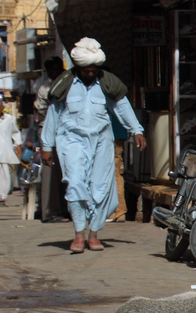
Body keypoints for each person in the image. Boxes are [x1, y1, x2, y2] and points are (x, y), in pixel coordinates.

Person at [40, 38, 145, 253]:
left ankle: (94, 234)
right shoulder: (65, 84)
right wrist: (47, 146)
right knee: (75, 184)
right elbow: (53, 115)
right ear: (78, 68)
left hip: (101, 141)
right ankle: (79, 234)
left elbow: (122, 106)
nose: (90, 74)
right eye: (86, 71)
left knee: (101, 188)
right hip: (72, 140)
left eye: (93, 70)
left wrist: (137, 130)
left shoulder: (107, 83)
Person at [33, 57, 67, 221]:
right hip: (49, 130)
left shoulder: (67, 83)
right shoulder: (45, 88)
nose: (55, 72)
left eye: (57, 69)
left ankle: (66, 208)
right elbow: (43, 113)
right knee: (51, 173)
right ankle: (50, 212)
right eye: (52, 70)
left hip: (66, 132)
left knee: (65, 172)